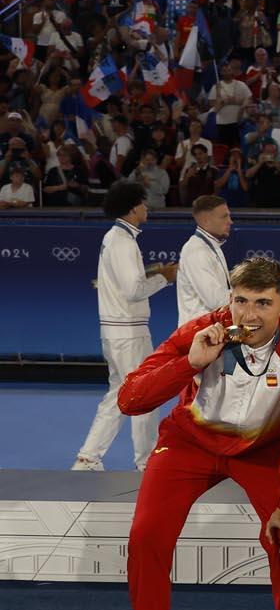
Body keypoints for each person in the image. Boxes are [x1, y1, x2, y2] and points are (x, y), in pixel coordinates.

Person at [106, 259, 280, 610]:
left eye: (263, 304)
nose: (249, 314)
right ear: (230, 299)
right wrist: (189, 363)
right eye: (240, 300)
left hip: (263, 450)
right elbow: (130, 399)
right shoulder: (204, 331)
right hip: (190, 444)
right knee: (146, 534)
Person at [75, 180, 177, 471]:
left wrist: (157, 272)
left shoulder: (116, 238)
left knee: (119, 394)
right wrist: (165, 279)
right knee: (144, 394)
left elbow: (127, 285)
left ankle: (88, 457)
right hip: (128, 332)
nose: (147, 208)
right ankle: (147, 461)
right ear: (134, 208)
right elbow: (133, 290)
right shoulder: (123, 242)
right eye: (143, 203)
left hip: (118, 330)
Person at [176, 195, 234, 322]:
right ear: (206, 221)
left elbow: (221, 287)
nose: (230, 221)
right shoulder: (197, 252)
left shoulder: (212, 246)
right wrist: (251, 292)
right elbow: (216, 300)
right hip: (197, 334)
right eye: (224, 216)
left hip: (209, 331)